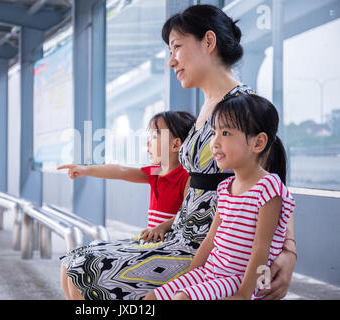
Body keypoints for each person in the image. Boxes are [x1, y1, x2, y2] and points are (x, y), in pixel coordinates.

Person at [62, 4, 297, 300]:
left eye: (176, 48)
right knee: (75, 263)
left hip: (212, 253)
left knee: (86, 271)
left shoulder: (242, 109)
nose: (171, 62)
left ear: (208, 42)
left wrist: (288, 253)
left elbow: (271, 183)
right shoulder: (205, 108)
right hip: (180, 237)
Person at [152, 94, 295, 300]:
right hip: (213, 272)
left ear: (258, 142)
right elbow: (210, 240)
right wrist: (191, 276)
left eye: (225, 132)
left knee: (182, 298)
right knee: (152, 298)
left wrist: (244, 295)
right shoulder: (225, 187)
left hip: (240, 278)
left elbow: (261, 248)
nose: (215, 143)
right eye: (214, 133)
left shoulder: (269, 187)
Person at [58, 111, 196, 240]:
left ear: (175, 145)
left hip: (171, 246)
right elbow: (121, 171)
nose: (148, 143)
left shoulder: (187, 177)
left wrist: (163, 227)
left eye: (154, 137)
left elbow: (189, 213)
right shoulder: (156, 172)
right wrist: (86, 170)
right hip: (153, 242)